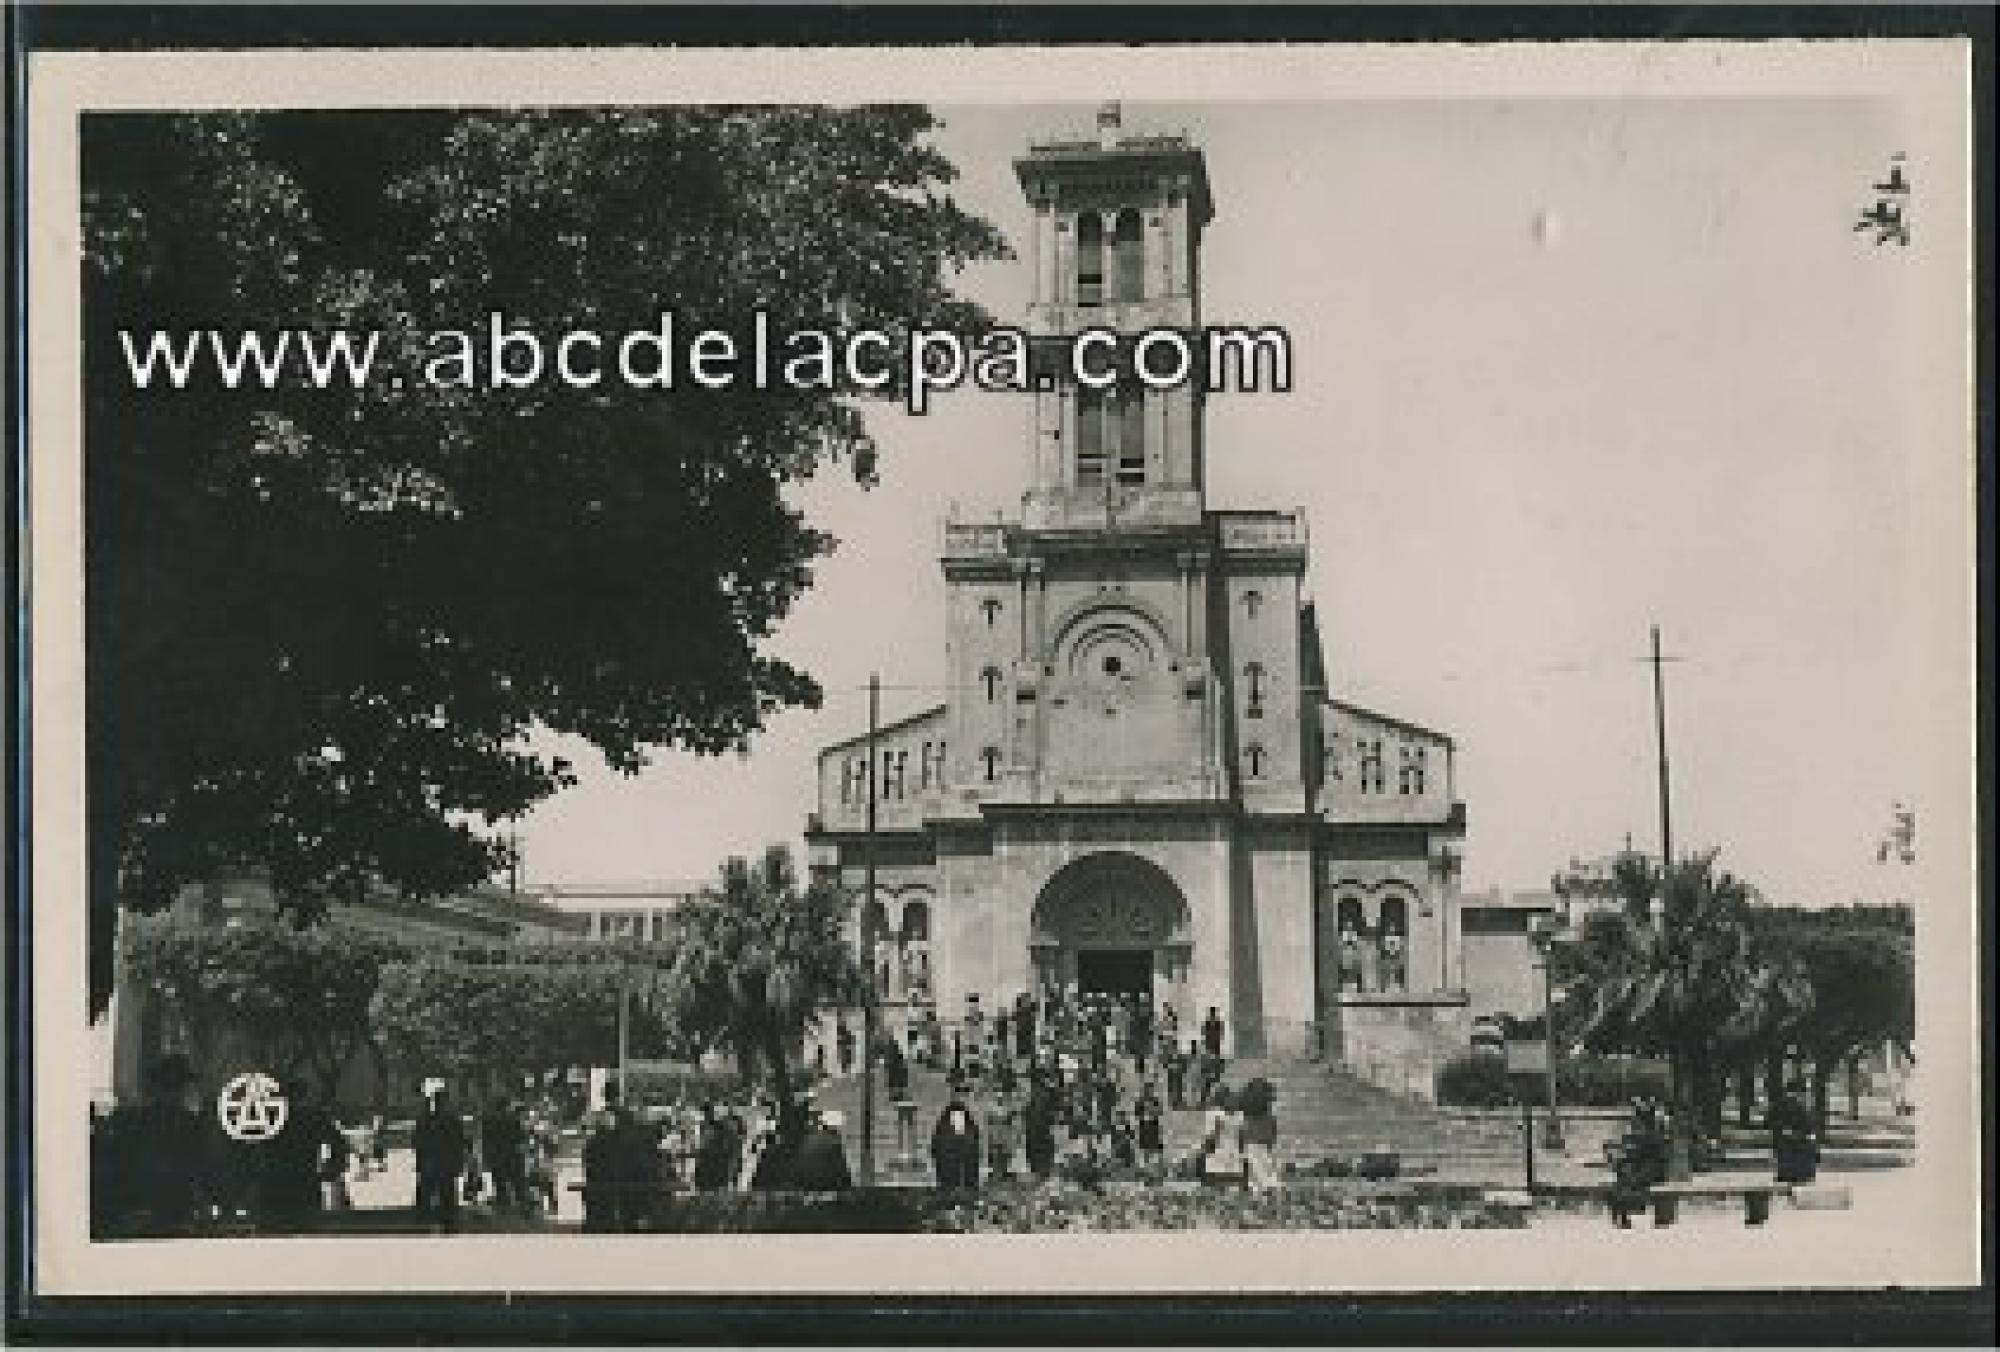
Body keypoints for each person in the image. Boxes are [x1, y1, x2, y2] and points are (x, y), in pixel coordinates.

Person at [413, 1086, 469, 1233]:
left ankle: (425, 1220)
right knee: (445, 1192)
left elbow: (418, 1143)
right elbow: (460, 1142)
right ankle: (446, 1220)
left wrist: (419, 1162)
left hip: (432, 1162)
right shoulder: (452, 1121)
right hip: (444, 1163)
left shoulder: (425, 1120)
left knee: (430, 1191)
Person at [1609, 1098, 1669, 1228]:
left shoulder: (1652, 1136)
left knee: (1628, 1181)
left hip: (1652, 1169)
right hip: (1643, 1168)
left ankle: (1627, 1213)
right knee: (1622, 1181)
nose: (1636, 1125)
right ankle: (1623, 1216)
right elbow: (1633, 1154)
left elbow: (1650, 1155)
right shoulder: (1641, 1135)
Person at [481, 1094, 529, 1216]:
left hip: (497, 1158)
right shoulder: (512, 1120)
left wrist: (486, 1158)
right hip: (512, 1156)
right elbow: (521, 1138)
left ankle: (504, 1209)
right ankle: (524, 1208)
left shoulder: (488, 1121)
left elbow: (485, 1141)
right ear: (506, 1106)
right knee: (518, 1184)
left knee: (500, 1184)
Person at [930, 1082, 982, 1193]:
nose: (961, 1096)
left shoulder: (964, 1119)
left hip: (964, 1178)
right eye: (958, 1091)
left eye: (962, 1092)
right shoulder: (950, 1119)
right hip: (949, 1177)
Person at [1769, 1081, 1821, 1185]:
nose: (1797, 1095)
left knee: (1809, 1145)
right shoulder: (1782, 1106)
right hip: (1785, 1136)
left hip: (1800, 1137)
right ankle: (1789, 1173)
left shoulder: (1805, 1107)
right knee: (1789, 1145)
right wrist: (1786, 1131)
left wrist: (1809, 1134)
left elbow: (1809, 1124)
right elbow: (1776, 1123)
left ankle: (1804, 1173)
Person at [791, 1109, 854, 1192]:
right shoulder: (833, 1141)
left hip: (805, 1182)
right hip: (824, 1182)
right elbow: (840, 1166)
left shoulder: (807, 1139)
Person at [1199, 1086, 1246, 1188]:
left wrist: (1205, 1149)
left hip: (1221, 1154)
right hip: (1233, 1155)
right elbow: (1242, 1138)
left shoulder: (1215, 1115)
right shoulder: (1239, 1116)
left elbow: (1212, 1137)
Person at [1239, 1079, 1280, 1192]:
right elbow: (1272, 1137)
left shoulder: (1247, 1118)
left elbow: (1242, 1136)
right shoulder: (1268, 1118)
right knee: (1267, 1177)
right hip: (1261, 1147)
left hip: (1251, 1147)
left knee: (1257, 1177)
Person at [1134, 1082, 1166, 1173]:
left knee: (1154, 1147)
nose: (1149, 1091)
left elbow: (1160, 1112)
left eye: (1151, 1090)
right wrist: (1144, 1112)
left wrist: (1153, 1111)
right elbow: (1136, 1113)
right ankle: (1146, 1168)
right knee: (1145, 1147)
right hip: (1144, 1124)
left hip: (1153, 1124)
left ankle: (1155, 1168)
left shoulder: (1155, 1101)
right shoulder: (1140, 1101)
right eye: (1147, 1089)